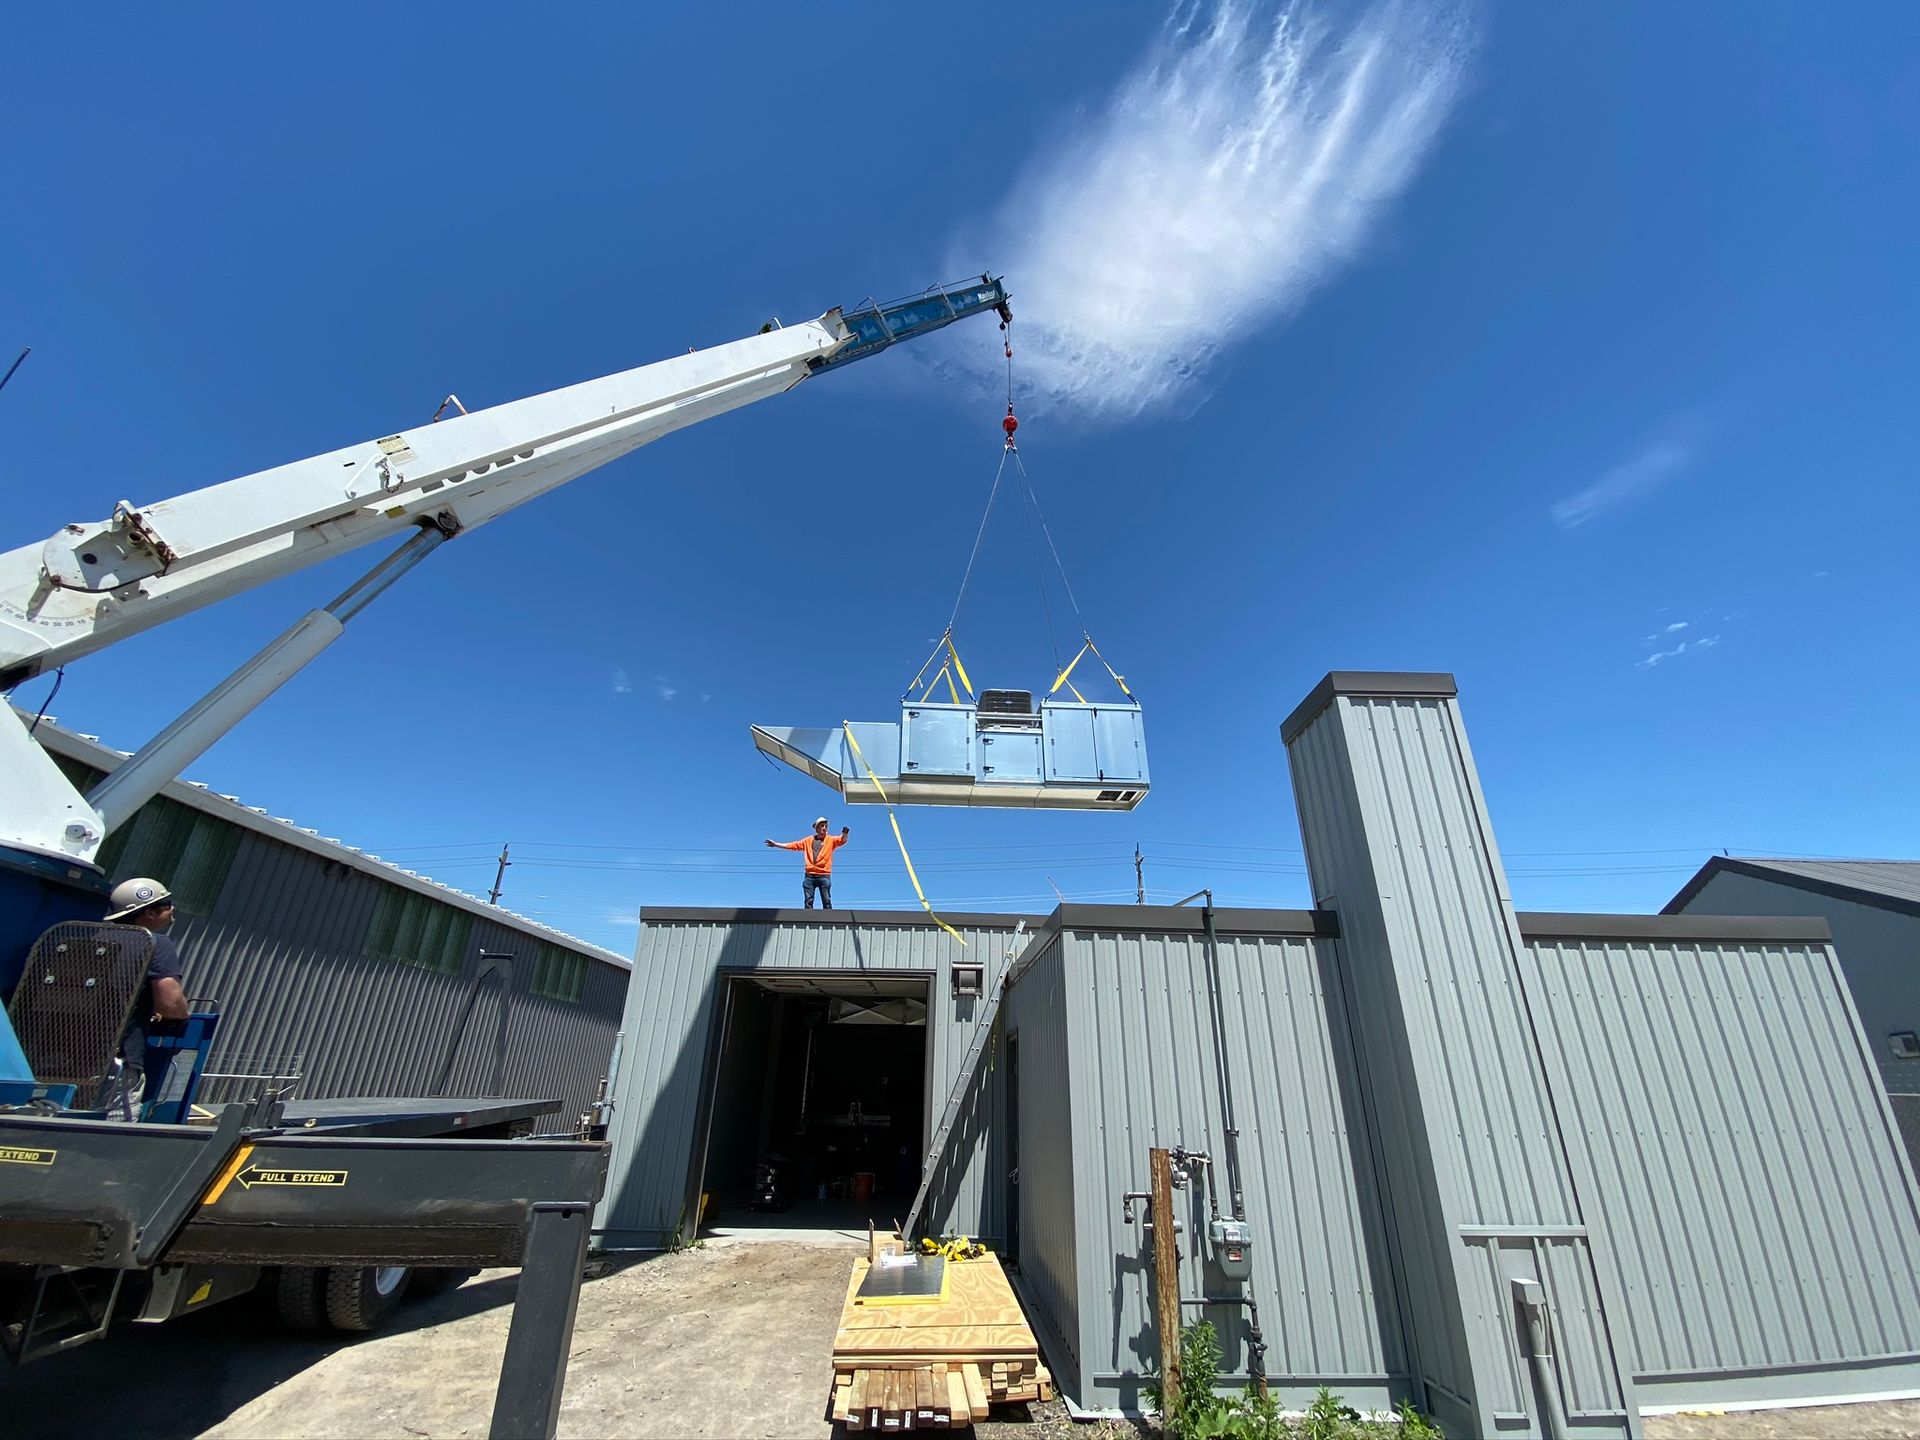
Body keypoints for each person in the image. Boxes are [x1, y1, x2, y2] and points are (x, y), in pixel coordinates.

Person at [104, 877, 189, 1098]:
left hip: (57, 1052)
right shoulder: (155, 943)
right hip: (118, 1057)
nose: (172, 910)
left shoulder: (88, 935)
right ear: (149, 913)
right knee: (112, 1128)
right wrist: (181, 1014)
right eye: (166, 905)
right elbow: (171, 1003)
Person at [765, 817, 850, 909]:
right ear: (817, 828)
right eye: (822, 826)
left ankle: (829, 921)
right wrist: (776, 844)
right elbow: (793, 845)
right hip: (810, 875)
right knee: (808, 902)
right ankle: (808, 921)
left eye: (826, 826)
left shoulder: (830, 840)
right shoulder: (808, 840)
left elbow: (842, 840)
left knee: (827, 901)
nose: (824, 828)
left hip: (824, 875)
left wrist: (845, 833)